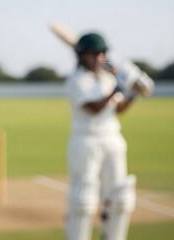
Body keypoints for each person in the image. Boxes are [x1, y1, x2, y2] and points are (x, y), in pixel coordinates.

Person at [64, 33, 144, 240]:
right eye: (95, 53)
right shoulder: (76, 80)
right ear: (82, 55)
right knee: (84, 200)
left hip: (113, 138)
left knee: (120, 198)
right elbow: (95, 108)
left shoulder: (107, 78)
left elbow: (118, 108)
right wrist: (119, 85)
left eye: (103, 53)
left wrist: (132, 92)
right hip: (86, 141)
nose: (100, 57)